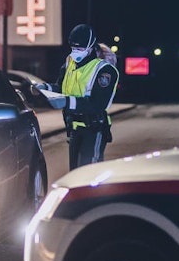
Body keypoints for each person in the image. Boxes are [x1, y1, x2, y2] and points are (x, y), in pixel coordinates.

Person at [36, 24, 120, 169]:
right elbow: (61, 87)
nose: (75, 52)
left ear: (91, 47)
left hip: (93, 128)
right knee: (75, 173)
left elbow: (98, 104)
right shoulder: (70, 62)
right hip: (74, 128)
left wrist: (66, 102)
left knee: (88, 174)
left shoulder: (105, 70)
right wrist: (45, 88)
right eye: (73, 48)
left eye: (79, 49)